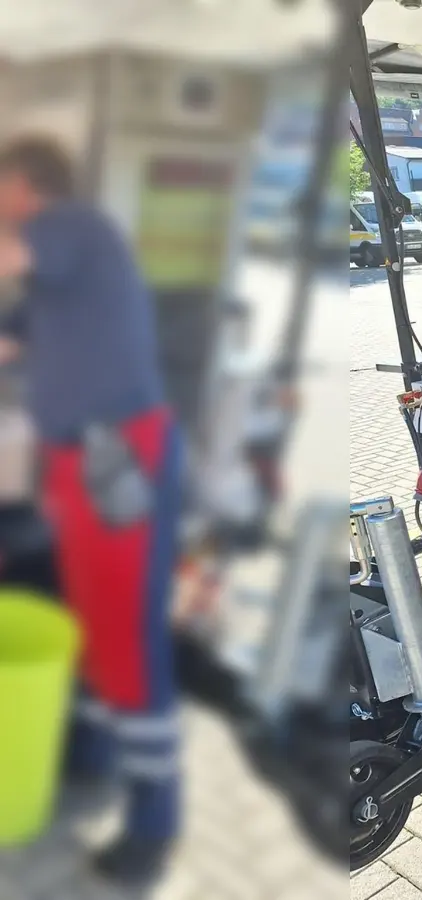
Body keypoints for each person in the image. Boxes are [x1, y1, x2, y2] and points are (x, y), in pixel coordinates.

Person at [0, 136, 183, 885]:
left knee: (129, 644)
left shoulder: (73, 228)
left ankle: (152, 823)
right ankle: (99, 760)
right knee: (95, 632)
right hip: (81, 466)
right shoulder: (51, 278)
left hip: (117, 465)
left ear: (27, 186)